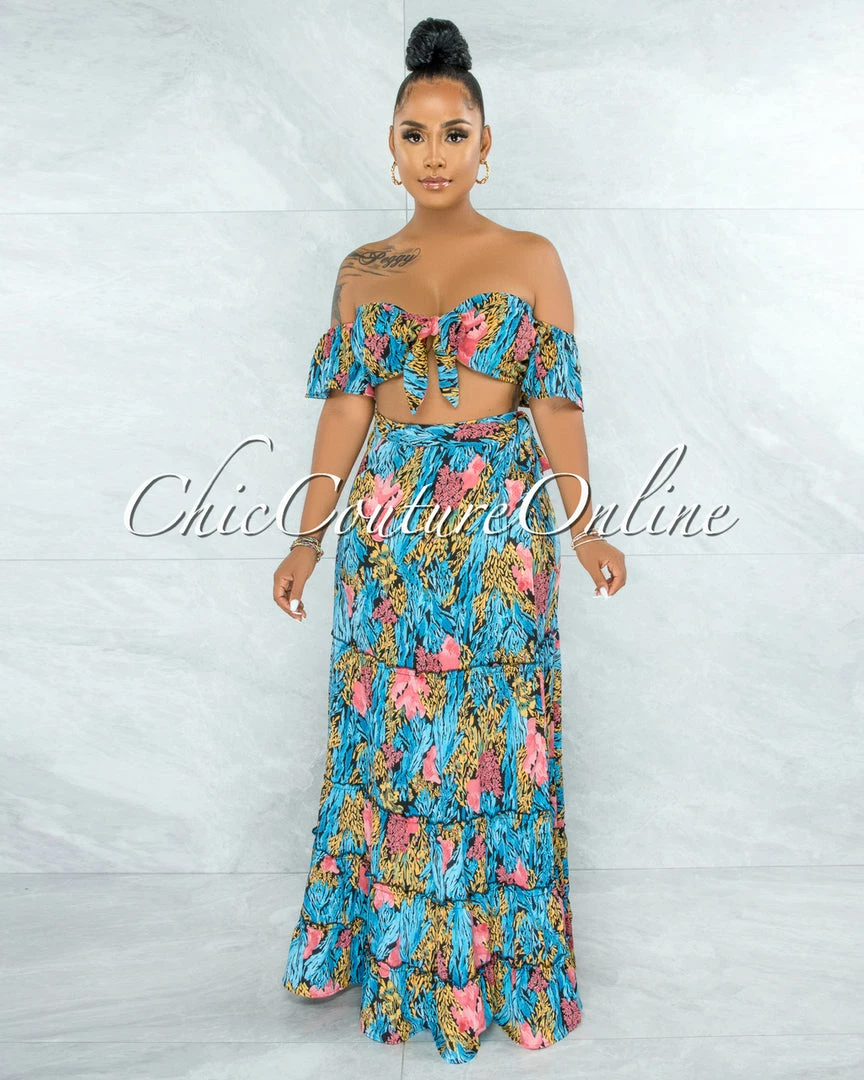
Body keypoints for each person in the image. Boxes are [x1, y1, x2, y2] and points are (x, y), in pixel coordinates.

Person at [275, 16, 626, 1065]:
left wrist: (587, 528)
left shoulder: (531, 259)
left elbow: (555, 405)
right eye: (415, 134)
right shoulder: (363, 267)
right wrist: (306, 540)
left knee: (495, 744)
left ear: (485, 145)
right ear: (391, 148)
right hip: (388, 533)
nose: (435, 155)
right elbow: (346, 410)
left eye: (454, 133)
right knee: (392, 743)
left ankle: (506, 971)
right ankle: (387, 950)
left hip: (497, 532)